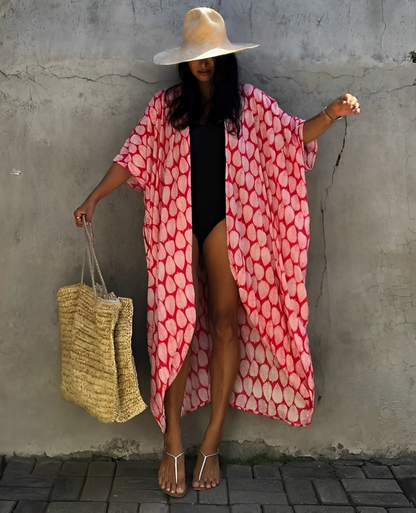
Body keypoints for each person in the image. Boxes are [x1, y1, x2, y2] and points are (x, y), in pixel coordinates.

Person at [74, 7, 360, 498]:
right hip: (175, 224)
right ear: (185, 62)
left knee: (226, 323)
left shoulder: (247, 104)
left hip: (229, 226)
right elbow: (132, 157)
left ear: (224, 59)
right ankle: (173, 438)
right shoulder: (166, 107)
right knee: (176, 328)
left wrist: (330, 115)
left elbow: (292, 139)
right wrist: (96, 196)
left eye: (212, 56)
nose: (204, 64)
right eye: (196, 57)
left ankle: (211, 438)